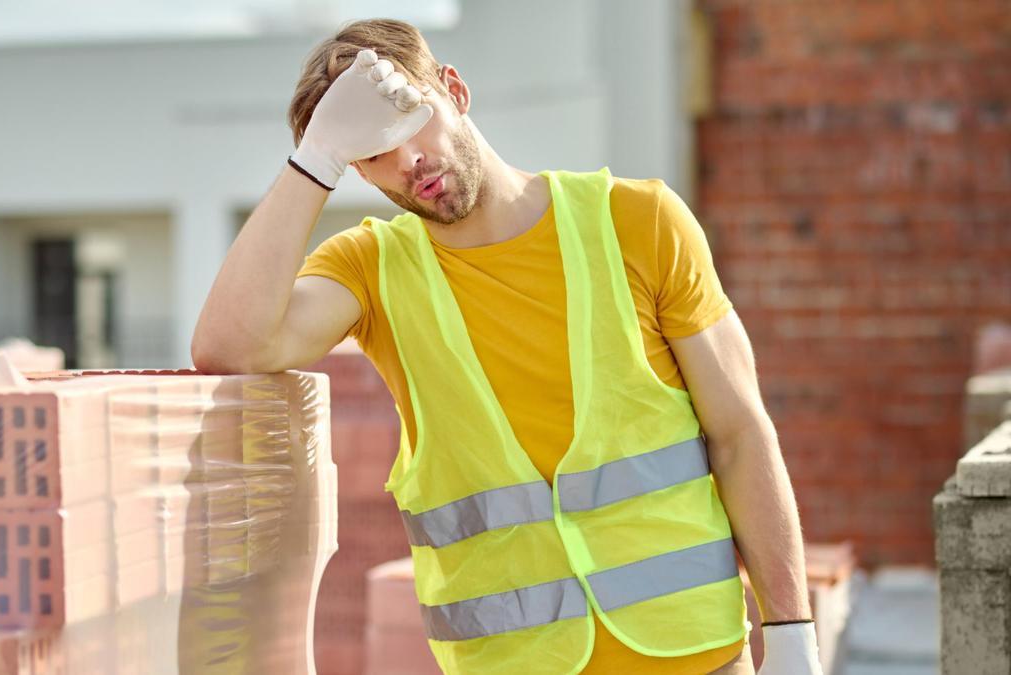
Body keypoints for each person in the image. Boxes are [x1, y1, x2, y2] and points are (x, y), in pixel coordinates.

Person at [192, 18, 823, 675]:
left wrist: (791, 638)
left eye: (409, 119)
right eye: (370, 151)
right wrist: (317, 153)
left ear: (455, 90)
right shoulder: (369, 271)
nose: (406, 160)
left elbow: (741, 434)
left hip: (694, 656)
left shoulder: (639, 222)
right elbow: (230, 347)